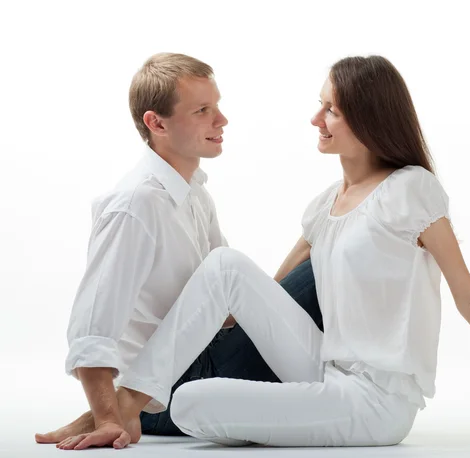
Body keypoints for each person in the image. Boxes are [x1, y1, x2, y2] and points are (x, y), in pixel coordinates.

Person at [54, 55, 470, 451]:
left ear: (367, 117)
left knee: (191, 401)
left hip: (374, 399)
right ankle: (124, 404)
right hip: (321, 365)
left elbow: (468, 295)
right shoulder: (322, 205)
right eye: (320, 106)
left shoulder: (411, 190)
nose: (316, 120)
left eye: (330, 109)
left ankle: (132, 408)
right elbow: (253, 292)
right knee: (224, 264)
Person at [34, 52, 322, 449]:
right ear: (157, 123)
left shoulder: (194, 194)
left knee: (322, 251)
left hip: (201, 359)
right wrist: (108, 417)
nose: (221, 120)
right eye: (203, 110)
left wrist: (300, 254)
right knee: (326, 261)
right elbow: (91, 327)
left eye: (217, 106)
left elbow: (228, 307)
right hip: (173, 390)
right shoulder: (135, 205)